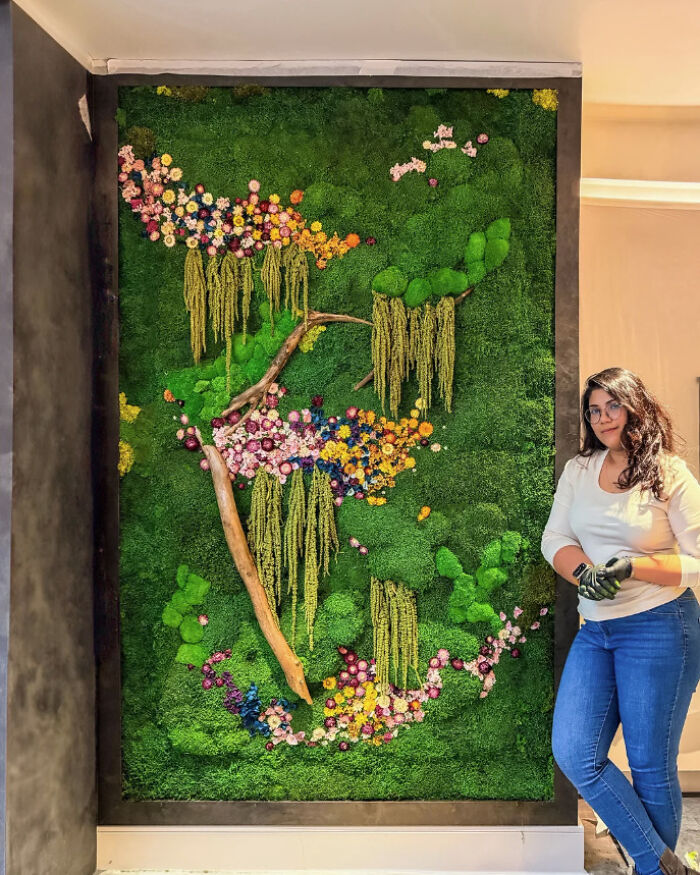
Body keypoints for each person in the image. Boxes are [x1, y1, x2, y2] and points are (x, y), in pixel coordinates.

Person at [541, 367, 700, 875]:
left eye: (613, 405)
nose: (603, 418)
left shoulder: (669, 474)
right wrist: (584, 573)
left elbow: (698, 559)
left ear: (637, 407)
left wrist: (634, 566)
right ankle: (663, 866)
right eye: (594, 410)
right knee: (575, 752)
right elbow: (555, 538)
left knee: (650, 765)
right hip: (598, 629)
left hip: (661, 624)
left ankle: (649, 870)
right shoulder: (580, 469)